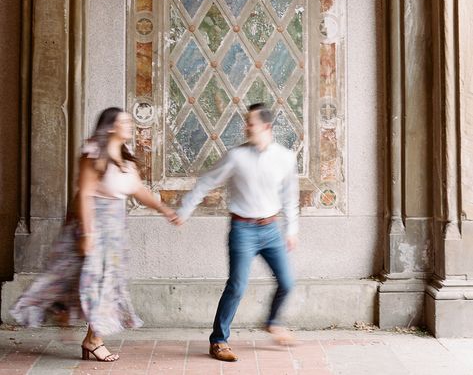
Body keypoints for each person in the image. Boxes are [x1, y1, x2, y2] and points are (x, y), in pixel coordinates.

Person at [11, 107, 177, 363]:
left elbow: (138, 190)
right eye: (125, 122)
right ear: (110, 126)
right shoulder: (94, 152)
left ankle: (85, 333)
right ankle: (83, 331)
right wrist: (87, 234)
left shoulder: (125, 155)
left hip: (114, 233)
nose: (130, 125)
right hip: (93, 227)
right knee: (85, 281)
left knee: (105, 285)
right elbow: (85, 194)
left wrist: (164, 209)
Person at [173, 102, 299, 362]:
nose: (246, 127)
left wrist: (291, 230)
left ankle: (273, 321)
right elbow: (206, 181)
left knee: (287, 282)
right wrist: (185, 210)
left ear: (266, 127)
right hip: (243, 229)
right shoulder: (236, 156)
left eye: (250, 123)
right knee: (238, 286)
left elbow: (290, 197)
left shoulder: (285, 157)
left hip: (271, 230)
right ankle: (218, 340)